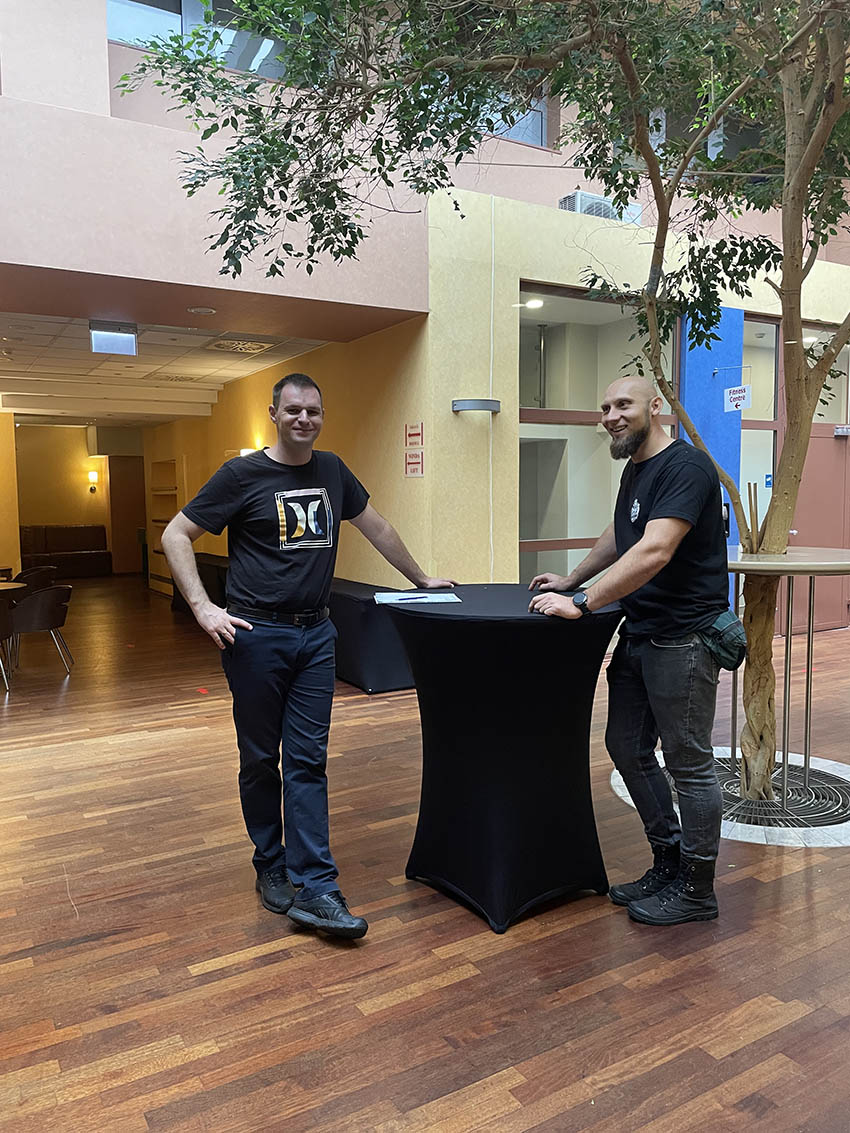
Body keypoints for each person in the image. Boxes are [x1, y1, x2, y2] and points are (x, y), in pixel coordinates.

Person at [162, 372, 455, 940]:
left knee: (307, 761)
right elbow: (177, 535)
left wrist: (420, 578)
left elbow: (377, 527)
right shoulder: (241, 475)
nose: (304, 419)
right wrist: (203, 608)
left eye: (313, 411)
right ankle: (270, 863)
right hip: (255, 637)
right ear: (274, 413)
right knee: (259, 759)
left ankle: (317, 886)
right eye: (293, 410)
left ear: (322, 416)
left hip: (317, 635)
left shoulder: (333, 471)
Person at [529, 375, 729, 926]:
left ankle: (697, 888)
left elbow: (656, 550)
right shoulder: (637, 469)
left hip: (685, 638)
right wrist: (572, 578)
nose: (611, 416)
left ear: (655, 407)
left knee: (689, 765)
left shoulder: (687, 467)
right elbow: (622, 536)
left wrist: (583, 602)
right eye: (605, 407)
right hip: (642, 632)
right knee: (626, 747)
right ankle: (668, 860)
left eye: (623, 405)